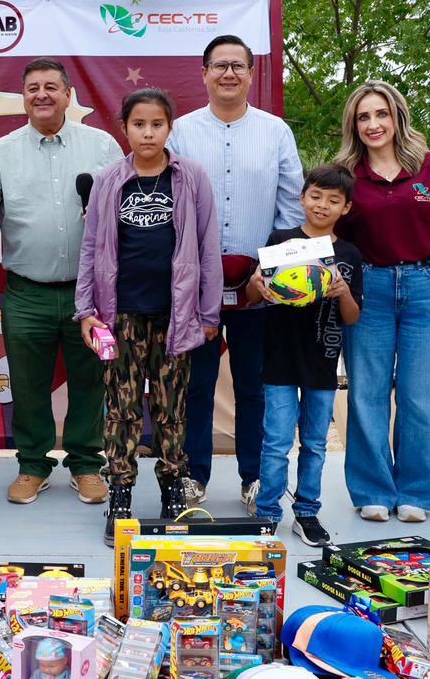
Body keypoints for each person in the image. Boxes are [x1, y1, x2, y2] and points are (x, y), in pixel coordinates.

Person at [0, 58, 123, 505]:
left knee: (90, 379)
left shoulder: (102, 146)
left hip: (89, 294)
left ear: (69, 95)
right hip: (26, 292)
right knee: (28, 383)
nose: (42, 94)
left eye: (52, 86)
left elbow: (124, 210)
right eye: (33, 88)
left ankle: (87, 464)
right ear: (24, 97)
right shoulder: (1, 150)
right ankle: (32, 465)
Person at [73, 88, 222, 544]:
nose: (148, 132)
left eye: (157, 124)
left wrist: (209, 311)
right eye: (139, 124)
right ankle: (120, 494)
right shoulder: (109, 180)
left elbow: (209, 245)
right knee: (120, 410)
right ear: (125, 128)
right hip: (120, 317)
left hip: (176, 316)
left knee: (172, 407)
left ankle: (173, 490)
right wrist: (85, 311)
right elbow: (92, 247)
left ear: (169, 127)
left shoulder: (191, 178)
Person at [166, 35, 304, 511]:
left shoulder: (275, 132)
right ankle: (192, 477)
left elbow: (290, 211)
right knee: (195, 384)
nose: (228, 74)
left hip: (258, 285)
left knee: (253, 385)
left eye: (238, 66)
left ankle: (253, 478)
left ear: (250, 74)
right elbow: (169, 205)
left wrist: (266, 275)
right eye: (219, 65)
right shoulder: (180, 132)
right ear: (203, 73)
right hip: (195, 287)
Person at [334, 80, 430, 524]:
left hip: (428, 288)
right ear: (354, 124)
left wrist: (420, 268)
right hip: (369, 290)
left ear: (397, 117)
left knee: (422, 395)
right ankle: (371, 489)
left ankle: (417, 493)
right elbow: (338, 239)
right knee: (367, 392)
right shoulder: (346, 175)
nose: (373, 124)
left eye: (380, 114)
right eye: (363, 116)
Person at [248, 164, 362, 546]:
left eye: (333, 200)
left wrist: (343, 291)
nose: (322, 205)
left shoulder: (348, 253)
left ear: (346, 208)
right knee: (276, 442)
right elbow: (252, 295)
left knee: (315, 442)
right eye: (315, 196)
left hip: (323, 362)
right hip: (279, 358)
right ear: (302, 197)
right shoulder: (282, 241)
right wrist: (255, 284)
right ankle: (266, 514)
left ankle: (307, 513)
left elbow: (353, 316)